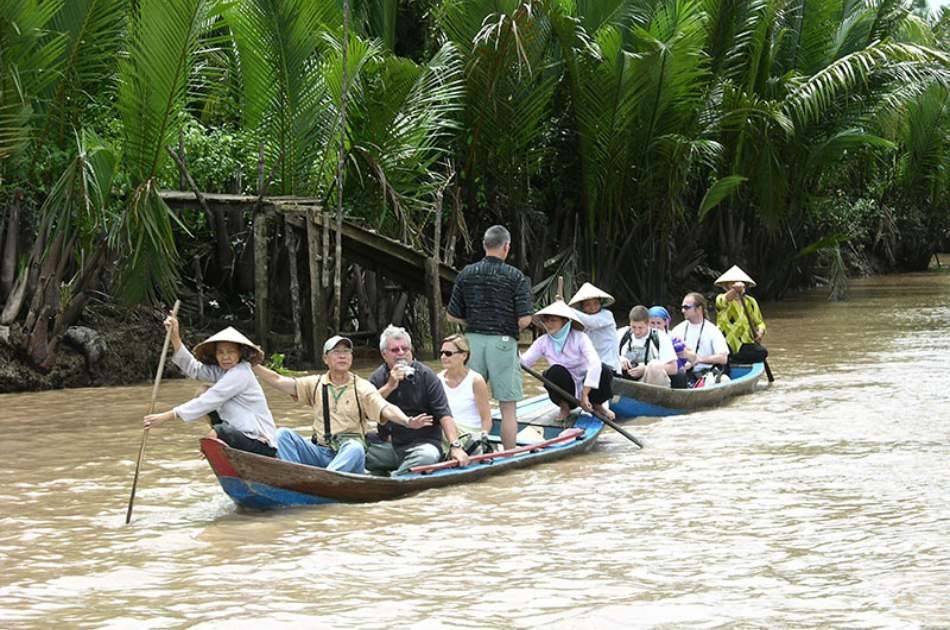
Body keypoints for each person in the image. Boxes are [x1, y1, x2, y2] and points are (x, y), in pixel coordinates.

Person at [252, 335, 433, 473]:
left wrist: (408, 421)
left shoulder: (361, 386)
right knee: (283, 434)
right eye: (337, 352)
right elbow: (278, 380)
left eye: (346, 352)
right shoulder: (315, 383)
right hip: (320, 450)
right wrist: (252, 364)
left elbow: (386, 408)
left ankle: (325, 481)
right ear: (325, 359)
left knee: (355, 447)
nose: (342, 356)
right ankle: (293, 477)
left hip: (347, 455)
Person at [447, 225, 533, 450]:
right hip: (503, 343)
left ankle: (464, 447)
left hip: (471, 343)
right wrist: (504, 325)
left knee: (470, 400)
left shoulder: (467, 273)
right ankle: (508, 457)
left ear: (484, 245)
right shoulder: (515, 276)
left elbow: (451, 314)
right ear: (507, 246)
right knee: (507, 408)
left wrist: (474, 323)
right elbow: (525, 320)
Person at [143, 318, 277, 457]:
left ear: (240, 353)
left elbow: (210, 399)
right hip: (239, 432)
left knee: (216, 431)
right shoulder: (222, 371)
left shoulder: (241, 373)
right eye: (220, 352)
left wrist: (167, 416)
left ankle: (218, 437)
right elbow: (194, 369)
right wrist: (175, 336)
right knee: (202, 391)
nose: (225, 357)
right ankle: (219, 438)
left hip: (259, 441)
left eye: (230, 352)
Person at [366, 325, 470, 476]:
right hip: (389, 446)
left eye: (405, 349)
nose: (401, 353)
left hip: (422, 446)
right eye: (395, 350)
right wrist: (389, 386)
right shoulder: (377, 378)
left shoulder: (427, 376)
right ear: (384, 355)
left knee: (427, 457)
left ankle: (393, 479)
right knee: (355, 450)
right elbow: (366, 411)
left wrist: (455, 446)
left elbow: (444, 414)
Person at [520, 300, 614, 421]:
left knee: (604, 369)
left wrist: (585, 395)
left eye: (553, 320)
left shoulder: (580, 337)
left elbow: (594, 363)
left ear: (564, 322)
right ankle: (564, 407)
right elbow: (524, 362)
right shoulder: (543, 341)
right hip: (565, 390)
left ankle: (597, 404)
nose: (549, 324)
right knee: (554, 371)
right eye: (546, 321)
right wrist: (512, 351)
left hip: (588, 388)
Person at [437, 333, 493, 454]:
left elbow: (486, 418)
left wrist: (483, 438)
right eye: (441, 353)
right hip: (446, 430)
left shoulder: (476, 380)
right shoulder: (437, 380)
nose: (443, 357)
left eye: (448, 353)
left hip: (469, 433)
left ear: (463, 355)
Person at [714, 265, 769, 364]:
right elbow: (724, 300)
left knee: (762, 352)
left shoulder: (751, 302)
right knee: (725, 351)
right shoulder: (721, 298)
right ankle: (728, 359)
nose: (737, 286)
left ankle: (732, 360)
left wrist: (760, 333)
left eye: (740, 284)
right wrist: (735, 290)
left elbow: (760, 323)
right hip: (726, 344)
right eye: (732, 284)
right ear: (726, 286)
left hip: (745, 344)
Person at [670, 292, 729, 384]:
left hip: (706, 373)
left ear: (699, 309)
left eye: (686, 307)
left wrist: (698, 359)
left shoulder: (712, 330)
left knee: (723, 379)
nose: (683, 311)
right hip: (684, 373)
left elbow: (723, 358)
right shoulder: (678, 329)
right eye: (682, 307)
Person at [616, 305, 678, 387]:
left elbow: (673, 368)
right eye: (633, 327)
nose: (637, 332)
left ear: (648, 324)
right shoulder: (621, 333)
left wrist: (645, 369)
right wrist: (619, 360)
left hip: (651, 383)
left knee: (654, 365)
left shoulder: (660, 337)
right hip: (624, 381)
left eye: (640, 328)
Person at [568, 282, 619, 372]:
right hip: (591, 367)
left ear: (600, 303)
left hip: (609, 366)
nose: (592, 307)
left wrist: (567, 309)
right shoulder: (580, 322)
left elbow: (591, 322)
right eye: (588, 304)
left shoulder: (607, 315)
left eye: (595, 303)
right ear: (582, 307)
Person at [648, 305, 689, 388]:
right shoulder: (644, 336)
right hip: (650, 369)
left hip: (669, 371)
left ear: (665, 323)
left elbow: (690, 358)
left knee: (680, 374)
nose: (655, 327)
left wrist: (683, 365)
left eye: (658, 323)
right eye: (652, 323)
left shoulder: (674, 337)